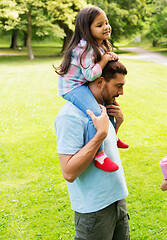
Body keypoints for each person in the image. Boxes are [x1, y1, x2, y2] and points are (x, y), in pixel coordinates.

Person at [55, 60, 130, 240]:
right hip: (94, 210)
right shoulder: (69, 116)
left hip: (117, 201)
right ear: (99, 82)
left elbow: (103, 151)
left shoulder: (101, 109)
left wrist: (116, 125)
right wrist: (100, 135)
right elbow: (69, 172)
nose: (121, 93)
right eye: (118, 86)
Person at [55, 6, 128, 173]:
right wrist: (103, 60)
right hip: (73, 87)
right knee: (95, 113)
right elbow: (90, 74)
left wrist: (109, 56)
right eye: (99, 25)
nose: (106, 27)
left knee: (108, 106)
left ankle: (113, 137)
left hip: (82, 84)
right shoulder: (85, 47)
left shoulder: (99, 45)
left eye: (107, 23)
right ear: (86, 30)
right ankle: (99, 155)